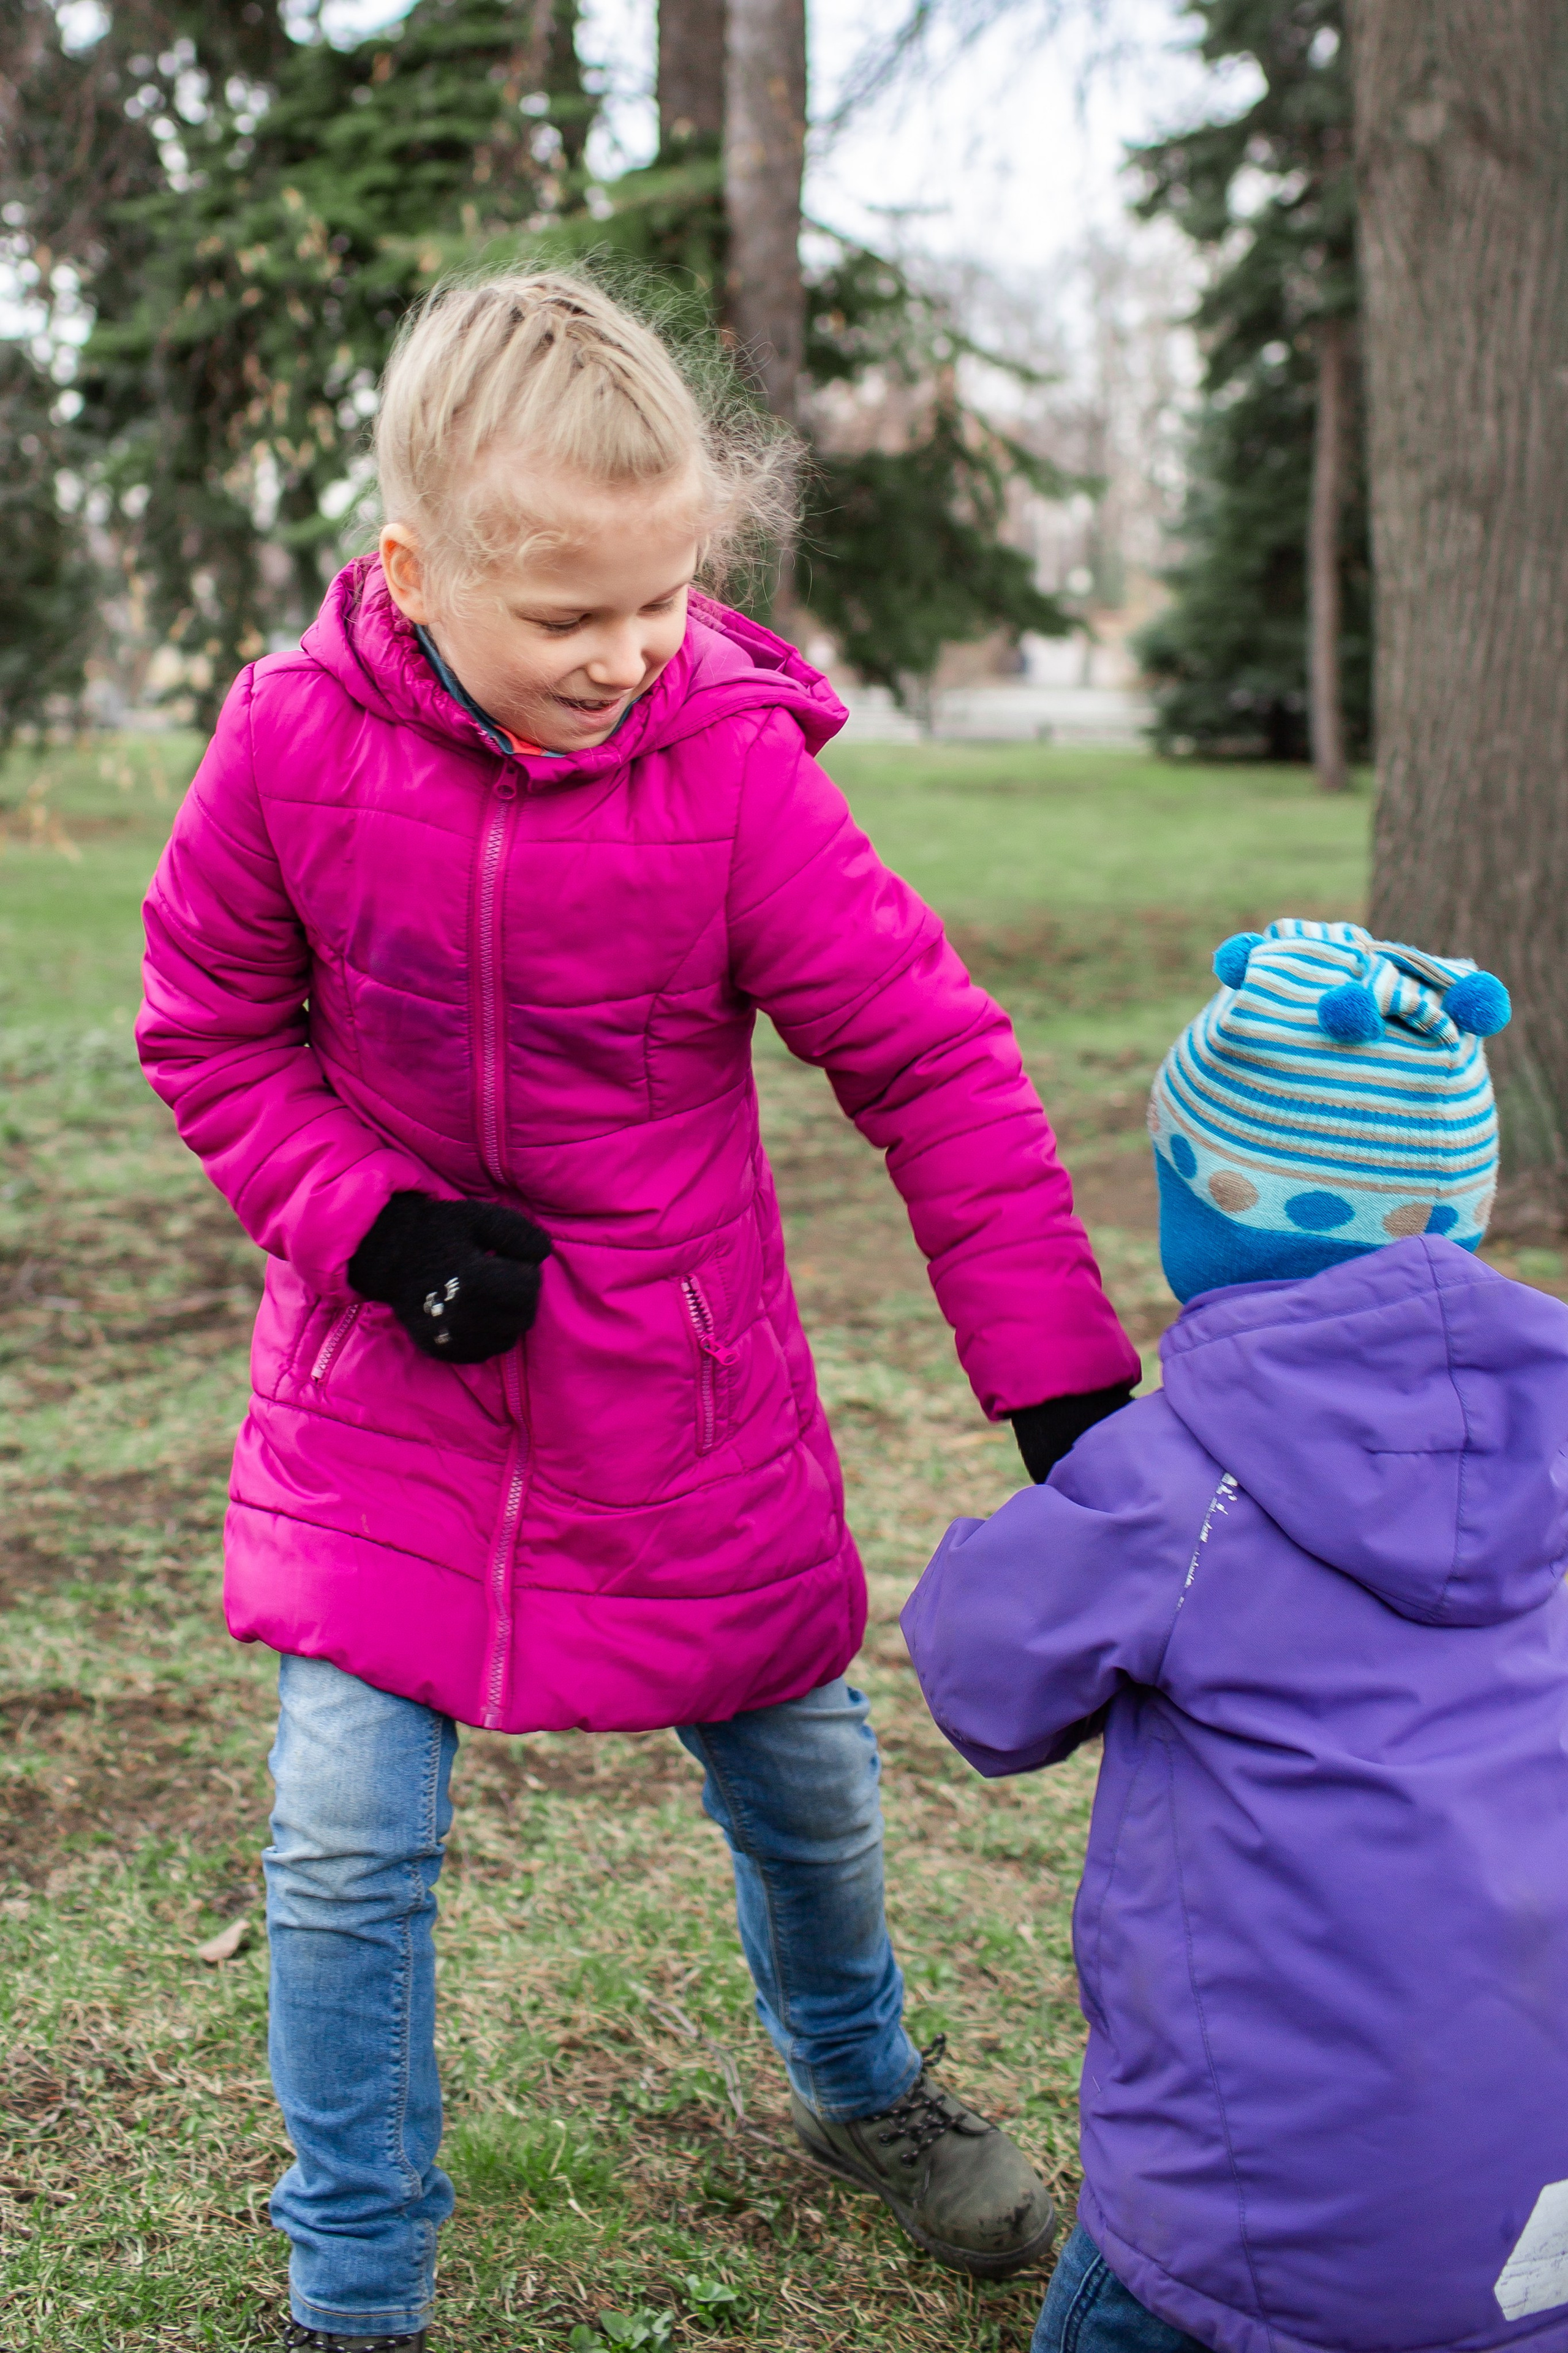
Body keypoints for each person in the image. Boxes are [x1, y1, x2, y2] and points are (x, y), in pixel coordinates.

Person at [136, 270, 1139, 2352]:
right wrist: (375, 1226)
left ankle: (860, 2086)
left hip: (680, 1404)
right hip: (389, 1385)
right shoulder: (287, 742)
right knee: (338, 1837)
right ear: (415, 572)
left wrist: (1058, 1386)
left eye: (665, 602)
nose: (633, 657)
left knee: (805, 1783)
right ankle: (354, 2282)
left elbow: (930, 1060)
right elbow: (209, 1028)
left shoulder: (735, 776)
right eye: (572, 620)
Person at [902, 919, 1568, 2353]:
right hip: (1533, 2218)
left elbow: (978, 1683)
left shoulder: (1169, 1486)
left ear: (1202, 1199)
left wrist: (1075, 1486)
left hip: (1241, 2227)